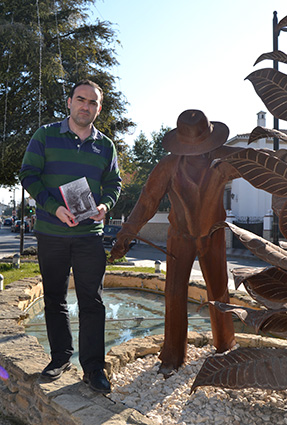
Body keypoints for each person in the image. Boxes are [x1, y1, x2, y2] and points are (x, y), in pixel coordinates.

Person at [110, 109, 241, 378]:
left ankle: (225, 345)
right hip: (179, 237)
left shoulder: (223, 159)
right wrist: (126, 234)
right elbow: (147, 200)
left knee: (219, 292)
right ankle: (172, 355)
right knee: (173, 293)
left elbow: (258, 162)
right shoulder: (168, 166)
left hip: (213, 235)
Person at [20, 79, 121, 393]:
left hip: (90, 234)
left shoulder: (106, 146)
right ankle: (60, 357)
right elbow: (28, 174)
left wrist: (105, 204)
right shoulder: (46, 135)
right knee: (54, 298)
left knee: (92, 302)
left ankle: (93, 369)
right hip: (51, 232)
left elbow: (114, 184)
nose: (86, 106)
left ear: (98, 109)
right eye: (81, 99)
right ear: (69, 101)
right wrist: (52, 207)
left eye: (92, 102)